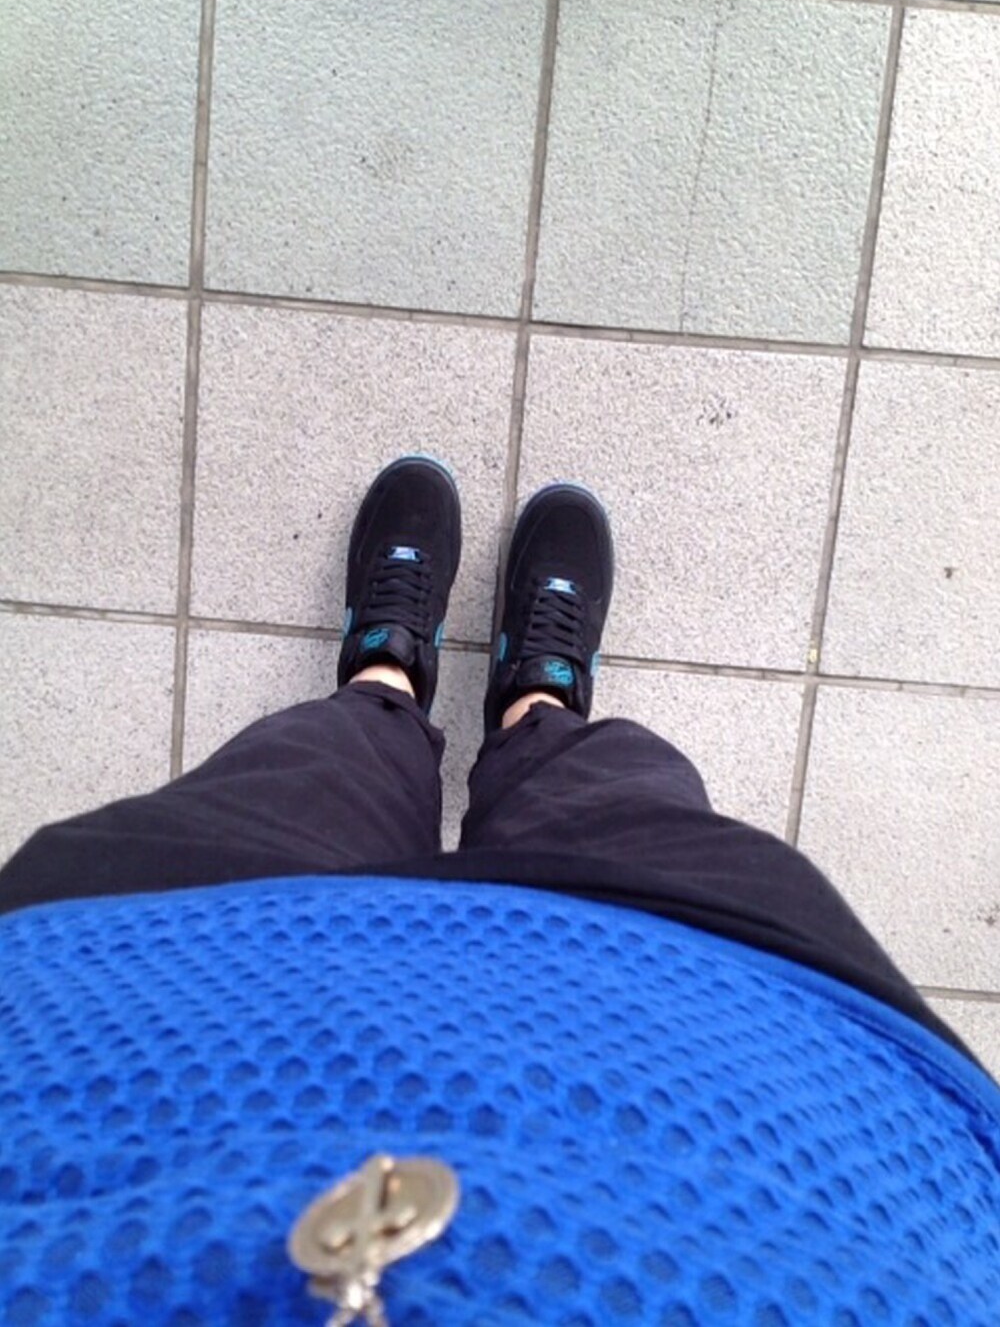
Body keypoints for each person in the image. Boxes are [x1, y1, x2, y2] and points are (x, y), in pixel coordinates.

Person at [1, 456, 998, 1326]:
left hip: (130, 1020)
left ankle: (384, 681)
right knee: (620, 797)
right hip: (756, 1088)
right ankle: (539, 703)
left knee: (304, 777)